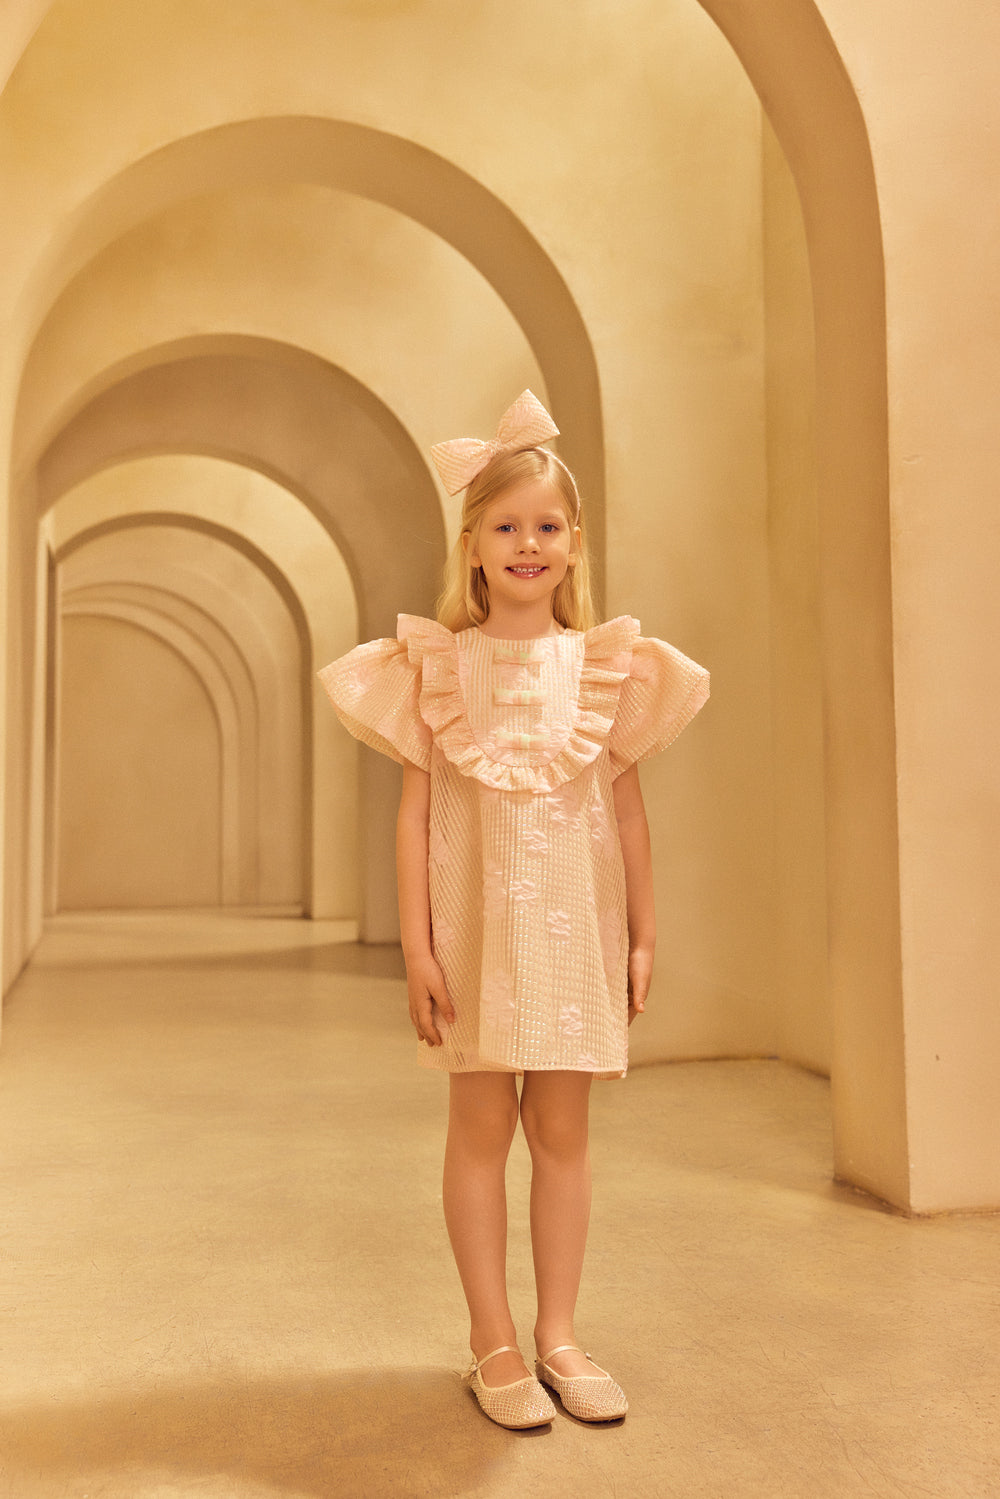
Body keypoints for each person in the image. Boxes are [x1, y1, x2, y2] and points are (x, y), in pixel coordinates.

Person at [318, 390, 709, 1429]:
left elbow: (625, 812)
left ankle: (561, 1333)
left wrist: (642, 932)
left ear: (574, 545)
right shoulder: (434, 669)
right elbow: (414, 819)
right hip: (476, 933)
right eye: (506, 525)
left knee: (566, 1128)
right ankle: (491, 1336)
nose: (527, 543)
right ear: (474, 546)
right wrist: (418, 946)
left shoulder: (607, 668)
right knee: (482, 1121)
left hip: (575, 934)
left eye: (545, 525)